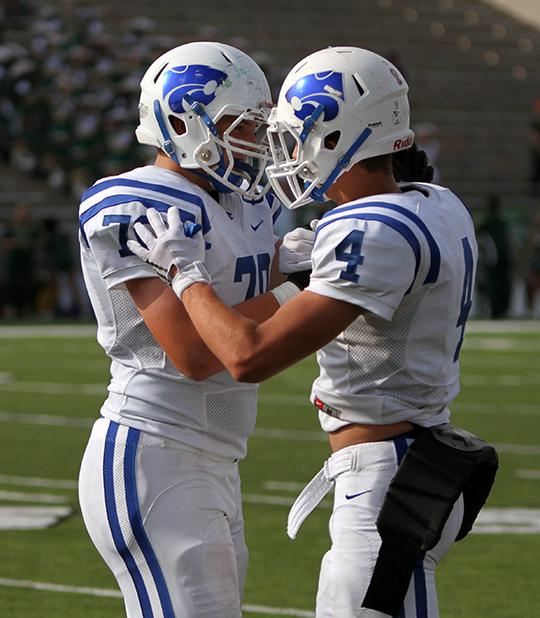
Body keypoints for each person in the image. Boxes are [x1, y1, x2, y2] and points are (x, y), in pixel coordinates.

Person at [130, 47, 494, 617]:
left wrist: (185, 273)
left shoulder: (370, 228)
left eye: (297, 137)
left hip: (386, 479)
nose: (287, 155)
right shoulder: (440, 203)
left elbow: (245, 356)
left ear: (336, 135)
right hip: (412, 460)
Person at [77, 41, 316, 618]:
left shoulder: (244, 203)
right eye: (240, 127)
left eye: (260, 129)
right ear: (184, 121)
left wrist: (283, 259)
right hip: (155, 450)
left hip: (214, 457)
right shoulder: (141, 203)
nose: (256, 143)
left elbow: (235, 285)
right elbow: (194, 353)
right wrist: (296, 288)